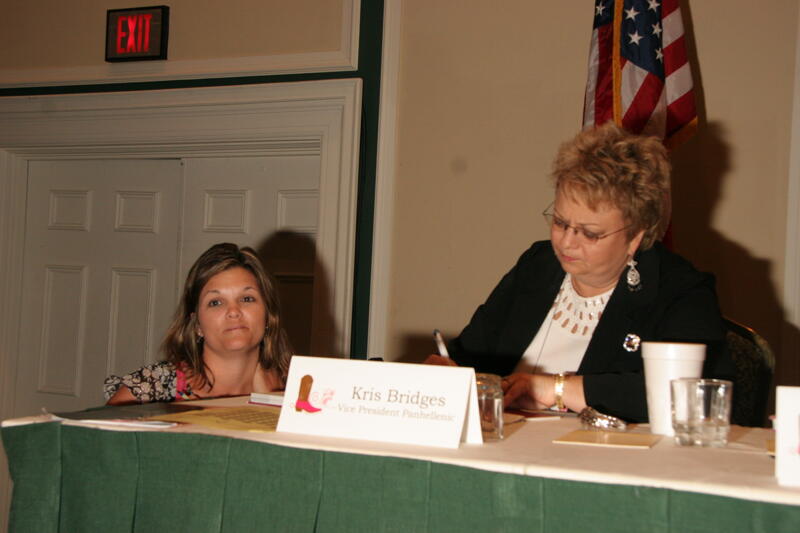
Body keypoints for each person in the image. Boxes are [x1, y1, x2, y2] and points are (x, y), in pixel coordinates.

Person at [425, 123, 735, 422]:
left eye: (589, 233)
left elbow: (691, 395)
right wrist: (445, 371)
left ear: (636, 236)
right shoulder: (538, 265)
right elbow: (470, 356)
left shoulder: (680, 290)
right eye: (560, 222)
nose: (565, 242)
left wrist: (553, 388)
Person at [104, 243, 292, 405]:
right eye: (216, 302)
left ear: (269, 316)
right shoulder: (151, 390)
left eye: (247, 298)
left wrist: (272, 400)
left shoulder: (296, 391)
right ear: (197, 325)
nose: (233, 311)